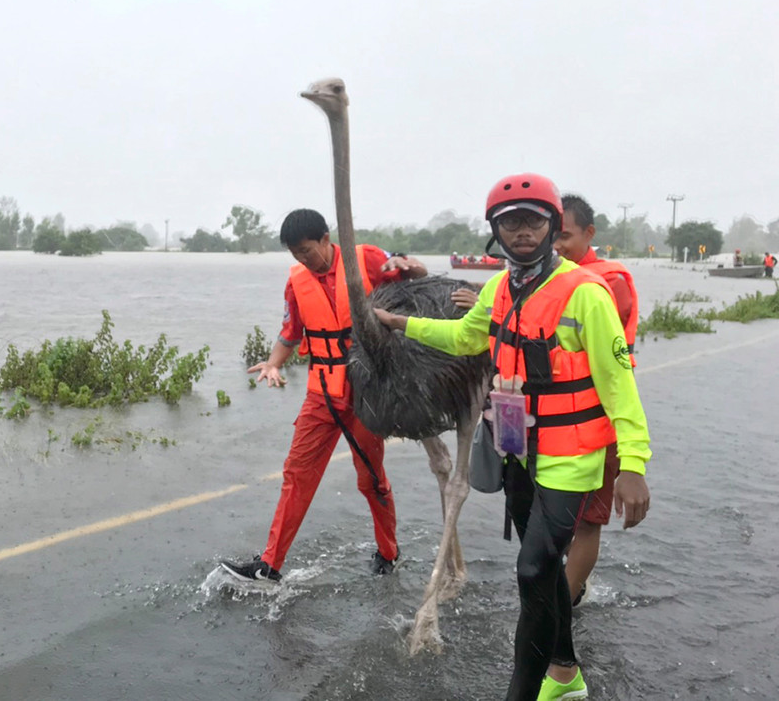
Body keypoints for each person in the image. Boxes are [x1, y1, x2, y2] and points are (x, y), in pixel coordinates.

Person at [374, 174, 651, 701]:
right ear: (495, 231)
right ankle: (567, 673)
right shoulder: (502, 288)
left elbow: (621, 385)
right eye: (510, 222)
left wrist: (634, 464)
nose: (522, 231)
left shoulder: (586, 294)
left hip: (573, 453)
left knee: (531, 569)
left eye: (533, 220)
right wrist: (400, 324)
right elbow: (464, 337)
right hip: (518, 448)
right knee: (543, 571)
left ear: (551, 227)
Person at [220, 208, 427, 583]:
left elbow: (413, 279)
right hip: (323, 395)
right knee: (297, 474)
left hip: (367, 392)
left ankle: (388, 552)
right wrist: (273, 363)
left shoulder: (366, 258)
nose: (302, 259)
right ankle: (270, 565)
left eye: (306, 250)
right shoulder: (297, 280)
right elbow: (290, 332)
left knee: (370, 479)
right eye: (294, 253)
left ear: (326, 239)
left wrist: (416, 269)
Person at [556, 194, 639, 608]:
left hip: (597, 424)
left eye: (565, 236)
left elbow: (614, 369)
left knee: (587, 523)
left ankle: (560, 612)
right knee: (559, 521)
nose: (555, 245)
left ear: (589, 234)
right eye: (549, 234)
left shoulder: (609, 283)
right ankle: (567, 591)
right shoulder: (546, 278)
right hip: (555, 426)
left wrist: (633, 463)